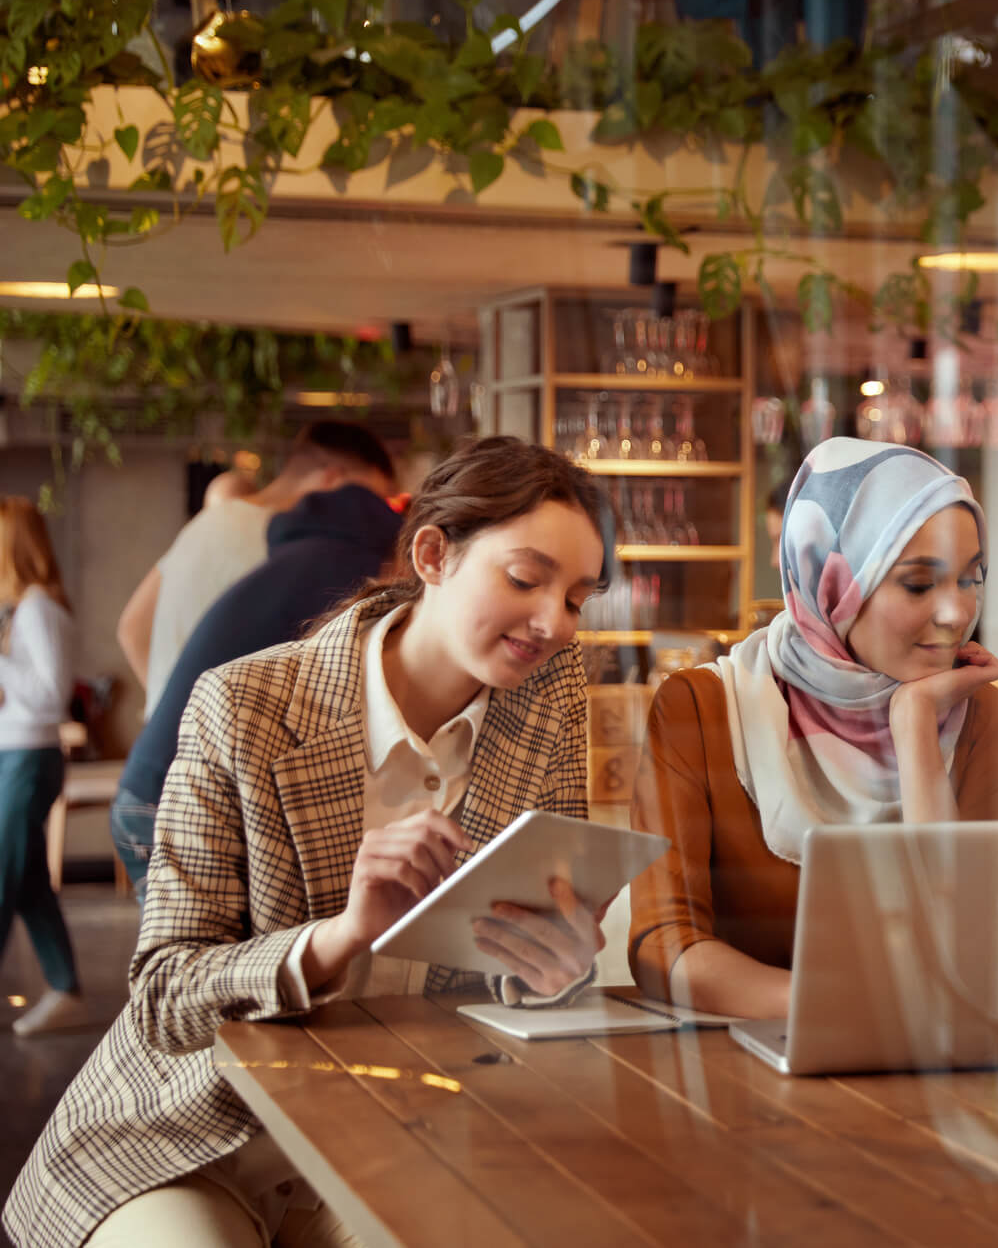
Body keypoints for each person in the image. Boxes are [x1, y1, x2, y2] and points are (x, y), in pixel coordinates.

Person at [8, 437, 610, 1248]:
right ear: (431, 554)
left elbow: (517, 957)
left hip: (402, 1131)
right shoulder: (244, 705)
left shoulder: (550, 701)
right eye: (525, 578)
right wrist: (340, 936)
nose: (553, 623)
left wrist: (552, 966)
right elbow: (163, 996)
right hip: (194, 1135)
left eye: (577, 597)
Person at [628, 438, 998, 1020]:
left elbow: (968, 947)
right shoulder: (703, 709)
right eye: (918, 584)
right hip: (744, 1072)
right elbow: (663, 945)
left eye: (970, 579)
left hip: (930, 1067)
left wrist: (912, 728)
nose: (955, 613)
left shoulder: (976, 712)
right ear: (831, 580)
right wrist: (836, 1008)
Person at [108, 482, 405, 903]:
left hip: (155, 779)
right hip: (170, 795)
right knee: (195, 957)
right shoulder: (347, 577)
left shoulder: (296, 561)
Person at [116, 421, 397, 715]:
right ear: (333, 481)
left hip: (175, 740)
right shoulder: (291, 546)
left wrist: (168, 710)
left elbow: (132, 628)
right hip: (222, 744)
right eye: (373, 500)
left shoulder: (207, 522)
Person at [0, 501, 82, 1036]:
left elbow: (52, 696)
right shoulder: (20, 610)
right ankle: (64, 986)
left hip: (30, 758)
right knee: (26, 880)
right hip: (16, 754)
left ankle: (64, 988)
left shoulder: (37, 610)